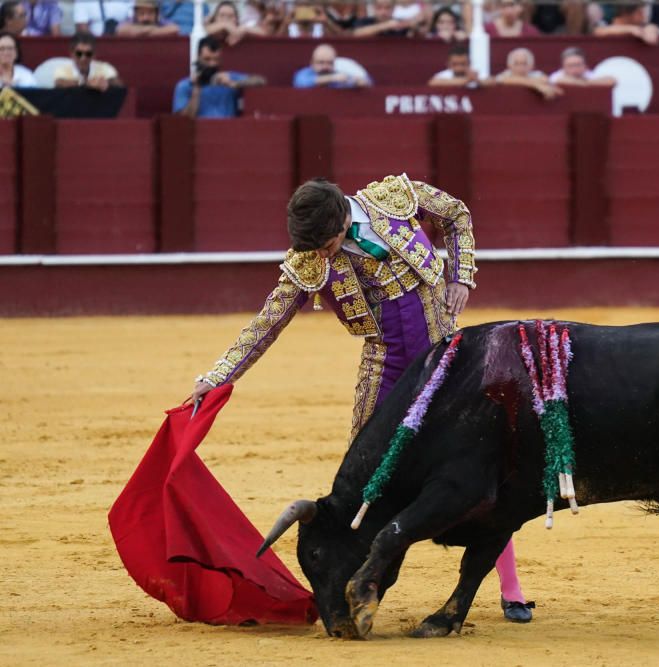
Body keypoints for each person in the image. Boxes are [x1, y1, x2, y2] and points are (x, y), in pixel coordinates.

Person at [187, 174, 534, 624]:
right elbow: (266, 324)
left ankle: (510, 588)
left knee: (482, 470)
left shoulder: (393, 199)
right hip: (385, 371)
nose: (320, 257)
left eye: (327, 246)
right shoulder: (310, 260)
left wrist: (461, 277)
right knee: (365, 489)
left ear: (342, 220)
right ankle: (362, 587)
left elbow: (457, 215)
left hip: (447, 360)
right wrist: (217, 377)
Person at [172, 36, 266, 119]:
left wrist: (235, 84)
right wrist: (196, 89)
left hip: (228, 132)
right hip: (200, 133)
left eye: (216, 59)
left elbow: (261, 81)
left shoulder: (228, 77)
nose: (212, 64)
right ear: (198, 58)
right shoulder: (185, 85)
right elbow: (183, 121)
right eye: (207, 59)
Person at [53, 32, 123, 91]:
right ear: (72, 54)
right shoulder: (63, 69)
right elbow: (59, 83)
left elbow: (119, 85)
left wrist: (106, 83)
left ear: (94, 55)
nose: (83, 58)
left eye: (88, 54)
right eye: (79, 53)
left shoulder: (104, 67)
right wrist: (87, 83)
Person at [293, 43, 371, 88]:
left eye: (329, 63)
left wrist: (360, 82)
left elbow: (368, 82)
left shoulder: (339, 75)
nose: (325, 66)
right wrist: (332, 78)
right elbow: (301, 82)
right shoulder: (304, 74)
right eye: (321, 62)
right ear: (312, 63)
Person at [495, 47, 562, 99]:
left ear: (532, 66)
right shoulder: (505, 75)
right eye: (516, 64)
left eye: (524, 64)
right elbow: (503, 80)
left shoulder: (537, 74)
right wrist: (537, 85)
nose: (520, 67)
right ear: (509, 66)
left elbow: (557, 89)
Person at [593, 3, 659, 44]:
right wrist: (631, 29)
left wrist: (651, 28)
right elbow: (598, 31)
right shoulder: (603, 25)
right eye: (639, 12)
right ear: (625, 13)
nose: (643, 16)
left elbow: (651, 37)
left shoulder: (644, 27)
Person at [548, 46, 616, 87]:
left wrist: (584, 83)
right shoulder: (557, 76)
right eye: (570, 66)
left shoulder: (589, 74)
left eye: (578, 65)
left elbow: (611, 80)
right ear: (563, 67)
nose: (575, 69)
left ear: (585, 66)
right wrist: (586, 83)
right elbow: (559, 81)